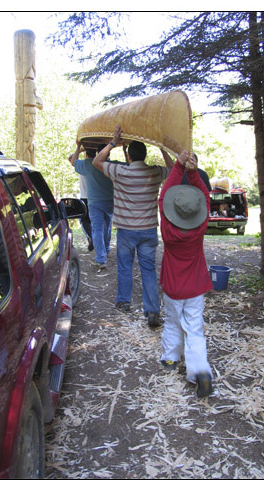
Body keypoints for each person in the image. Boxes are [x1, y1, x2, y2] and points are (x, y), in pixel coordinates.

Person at [92, 126, 173, 327]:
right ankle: (153, 310)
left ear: (130, 157)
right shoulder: (155, 172)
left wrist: (112, 143)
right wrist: (162, 147)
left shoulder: (119, 172)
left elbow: (97, 161)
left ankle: (124, 302)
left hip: (126, 231)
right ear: (145, 155)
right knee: (148, 270)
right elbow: (174, 168)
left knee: (125, 266)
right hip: (148, 230)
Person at [158, 150, 214, 398]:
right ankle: (200, 370)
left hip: (173, 287)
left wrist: (179, 167)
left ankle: (170, 359)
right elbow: (205, 196)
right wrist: (192, 171)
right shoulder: (200, 228)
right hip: (195, 288)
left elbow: (162, 198)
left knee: (172, 322)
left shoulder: (168, 230)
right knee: (195, 328)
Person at [69, 144, 118, 268]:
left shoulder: (88, 164)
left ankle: (101, 258)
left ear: (98, 152)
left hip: (94, 202)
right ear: (109, 152)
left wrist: (79, 146)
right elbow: (130, 164)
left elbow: (73, 161)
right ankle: (106, 250)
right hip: (109, 201)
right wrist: (124, 150)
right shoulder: (113, 165)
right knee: (107, 227)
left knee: (97, 229)